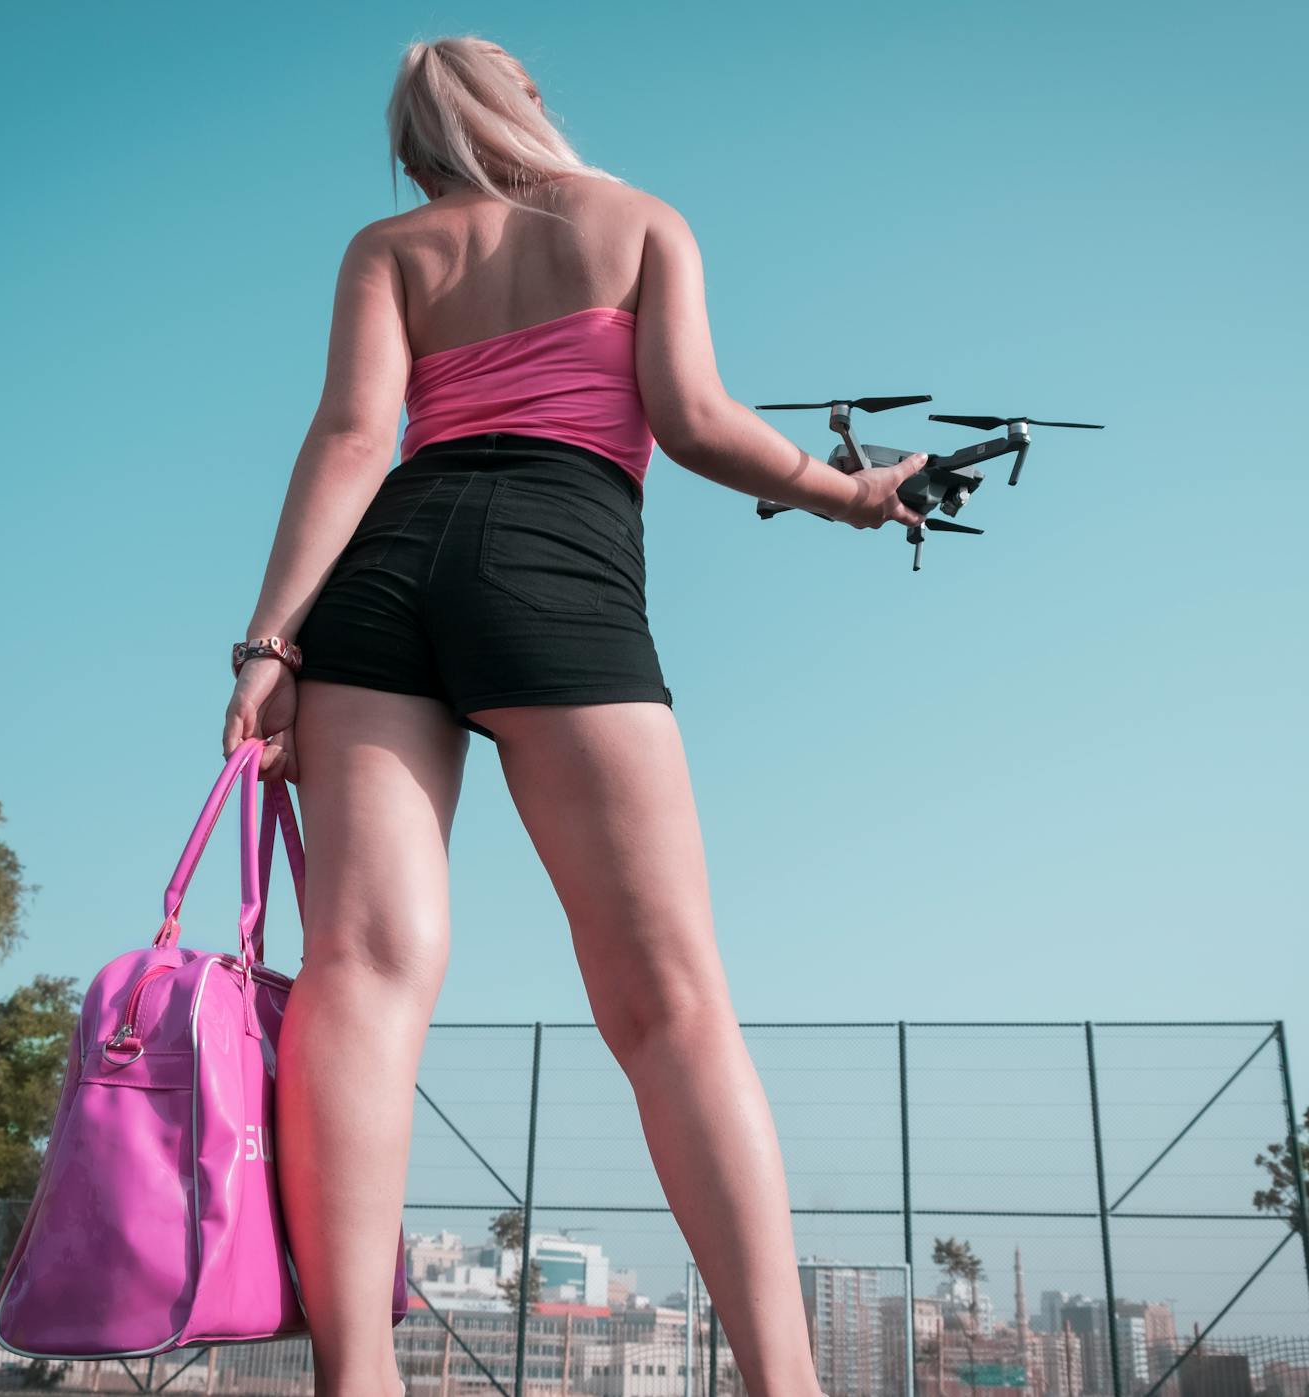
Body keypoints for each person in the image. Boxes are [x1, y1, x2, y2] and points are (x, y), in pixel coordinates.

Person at [221, 33, 929, 1397]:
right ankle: (789, 1385)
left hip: (385, 572)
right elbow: (700, 417)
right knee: (668, 1004)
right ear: (529, 104)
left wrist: (268, 644)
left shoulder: (388, 249)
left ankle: (351, 1383)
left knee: (360, 977)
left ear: (417, 145)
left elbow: (356, 437)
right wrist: (850, 493)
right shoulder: (637, 217)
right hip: (554, 564)